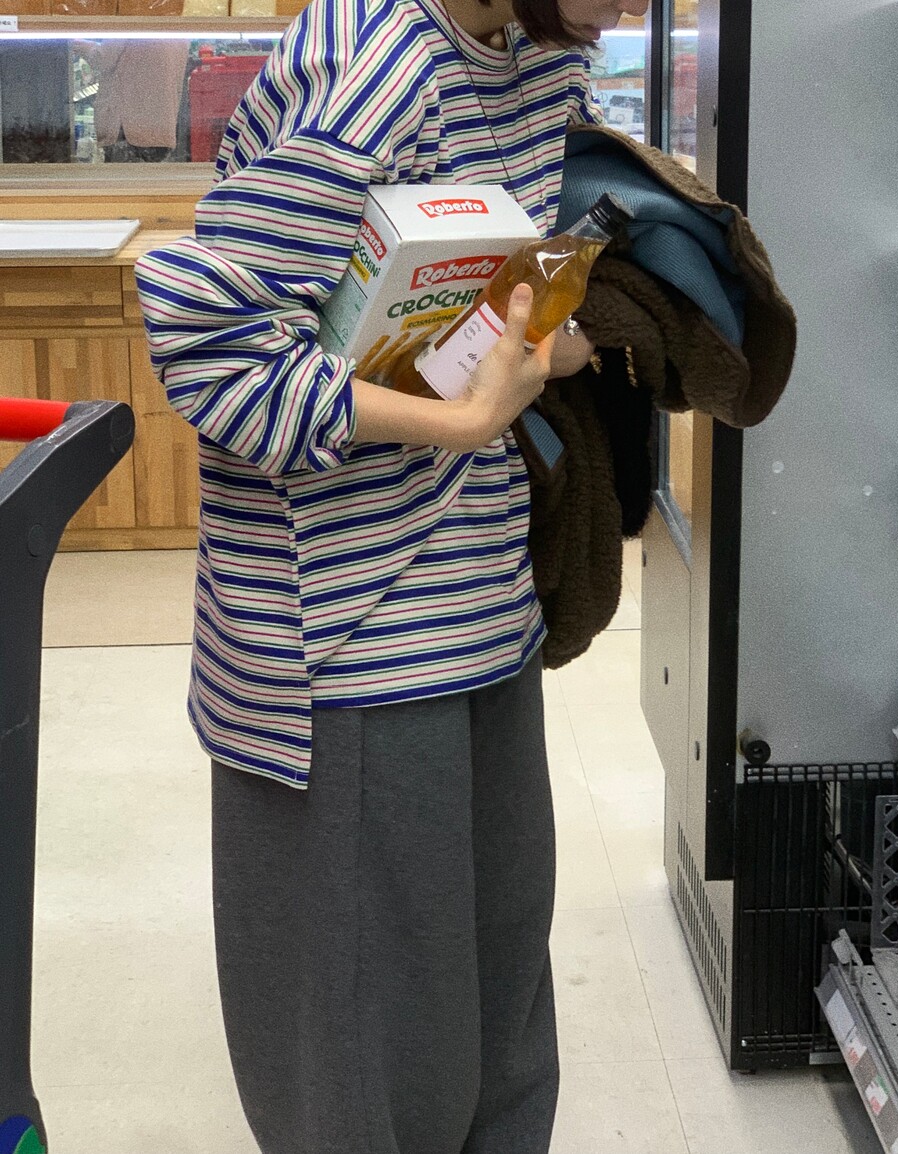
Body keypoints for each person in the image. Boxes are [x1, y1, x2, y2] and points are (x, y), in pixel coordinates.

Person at [134, 0, 646, 1148]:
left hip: (483, 605)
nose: (630, 9)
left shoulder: (533, 58)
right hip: (348, 642)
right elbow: (209, 341)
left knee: (500, 1015)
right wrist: (458, 420)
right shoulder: (370, 63)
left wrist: (547, 338)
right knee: (374, 1052)